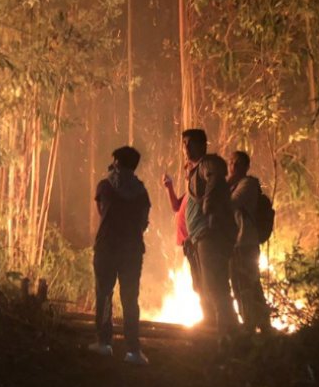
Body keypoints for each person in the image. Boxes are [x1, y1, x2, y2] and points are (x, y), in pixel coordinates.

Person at [89, 146, 151, 365]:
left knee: (104, 294)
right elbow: (144, 222)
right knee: (130, 299)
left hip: (107, 247)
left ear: (117, 163)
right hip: (132, 250)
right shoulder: (141, 191)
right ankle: (133, 350)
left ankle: (104, 343)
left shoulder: (105, 186)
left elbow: (101, 211)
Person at [181, 129, 238, 343]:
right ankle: (216, 329)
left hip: (210, 234)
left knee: (216, 284)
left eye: (191, 143)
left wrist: (209, 205)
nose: (186, 147)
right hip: (199, 236)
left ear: (203, 144)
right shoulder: (196, 171)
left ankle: (228, 334)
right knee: (205, 284)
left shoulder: (208, 164)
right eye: (184, 143)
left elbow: (214, 174)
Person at [227, 151, 272, 334]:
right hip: (235, 244)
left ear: (245, 167)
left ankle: (261, 324)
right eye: (231, 162)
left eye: (237, 163)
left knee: (250, 283)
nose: (233, 167)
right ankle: (250, 322)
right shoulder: (235, 185)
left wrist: (227, 183)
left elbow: (230, 203)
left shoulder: (248, 184)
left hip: (246, 243)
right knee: (238, 285)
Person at [161, 170, 213, 326]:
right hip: (188, 243)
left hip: (196, 241)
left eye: (190, 167)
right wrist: (169, 187)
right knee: (197, 280)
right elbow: (176, 206)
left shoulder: (200, 192)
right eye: (186, 168)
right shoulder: (189, 193)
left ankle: (210, 317)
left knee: (202, 279)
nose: (187, 170)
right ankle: (208, 316)